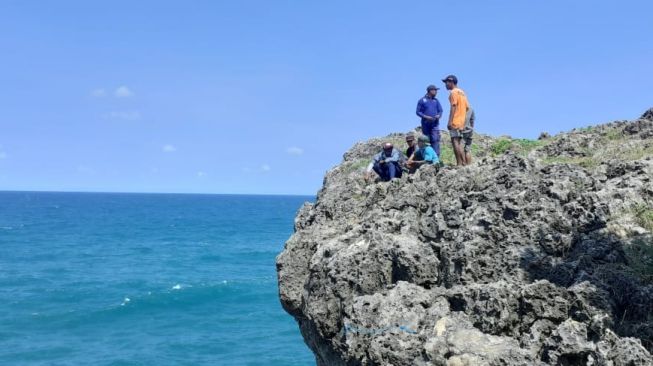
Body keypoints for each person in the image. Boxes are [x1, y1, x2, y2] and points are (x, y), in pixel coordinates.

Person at [443, 75, 469, 166]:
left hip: (455, 121)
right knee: (460, 142)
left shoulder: (453, 92)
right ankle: (465, 163)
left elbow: (453, 106)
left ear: (451, 82)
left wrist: (450, 121)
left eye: (446, 82)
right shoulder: (462, 92)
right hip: (462, 122)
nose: (445, 85)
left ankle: (459, 163)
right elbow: (467, 108)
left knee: (455, 141)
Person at [416, 85, 443, 158]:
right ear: (430, 91)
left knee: (435, 139)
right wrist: (426, 117)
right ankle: (427, 157)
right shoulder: (422, 100)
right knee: (426, 140)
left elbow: (440, 110)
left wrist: (439, 115)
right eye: (435, 90)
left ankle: (436, 157)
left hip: (435, 124)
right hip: (426, 124)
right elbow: (418, 112)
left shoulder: (436, 101)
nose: (436, 92)